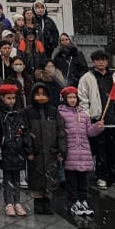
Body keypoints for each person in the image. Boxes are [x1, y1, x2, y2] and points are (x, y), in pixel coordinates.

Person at [77, 50, 115, 191]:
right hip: (98, 122)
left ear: (107, 61)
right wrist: (88, 116)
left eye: (103, 59)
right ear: (93, 61)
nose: (101, 62)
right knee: (100, 151)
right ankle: (102, 177)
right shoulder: (87, 78)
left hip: (114, 120)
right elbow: (83, 99)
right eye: (97, 59)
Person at [58, 86, 104, 217]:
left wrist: (97, 127)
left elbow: (89, 131)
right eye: (70, 97)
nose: (72, 100)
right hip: (70, 151)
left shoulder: (83, 114)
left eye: (74, 97)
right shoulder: (61, 113)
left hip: (83, 152)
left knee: (83, 180)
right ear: (65, 99)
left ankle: (83, 200)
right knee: (71, 180)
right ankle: (74, 201)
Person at [24, 81, 67, 215]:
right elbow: (25, 132)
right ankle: (38, 202)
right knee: (36, 176)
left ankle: (47, 202)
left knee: (51, 177)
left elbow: (60, 131)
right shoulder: (28, 111)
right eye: (38, 93)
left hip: (51, 150)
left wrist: (61, 150)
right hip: (36, 151)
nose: (41, 96)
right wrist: (29, 149)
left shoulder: (53, 111)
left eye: (43, 93)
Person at [0, 84, 32, 218]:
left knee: (17, 178)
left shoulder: (19, 113)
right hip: (6, 149)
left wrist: (24, 144)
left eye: (13, 98)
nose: (11, 100)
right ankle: (8, 203)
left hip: (18, 149)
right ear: (2, 98)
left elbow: (25, 130)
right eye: (8, 98)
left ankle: (17, 202)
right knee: (7, 178)